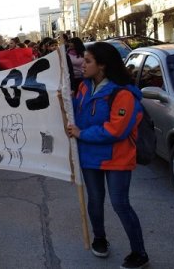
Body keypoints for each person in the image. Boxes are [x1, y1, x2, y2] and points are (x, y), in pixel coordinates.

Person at [66, 42, 149, 269]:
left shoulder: (123, 94)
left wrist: (81, 133)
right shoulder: (83, 87)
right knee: (94, 200)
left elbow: (116, 130)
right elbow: (75, 113)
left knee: (120, 204)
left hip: (117, 158)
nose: (82, 64)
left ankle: (139, 253)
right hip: (89, 156)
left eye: (88, 60)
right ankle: (99, 238)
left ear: (102, 66)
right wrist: (65, 100)